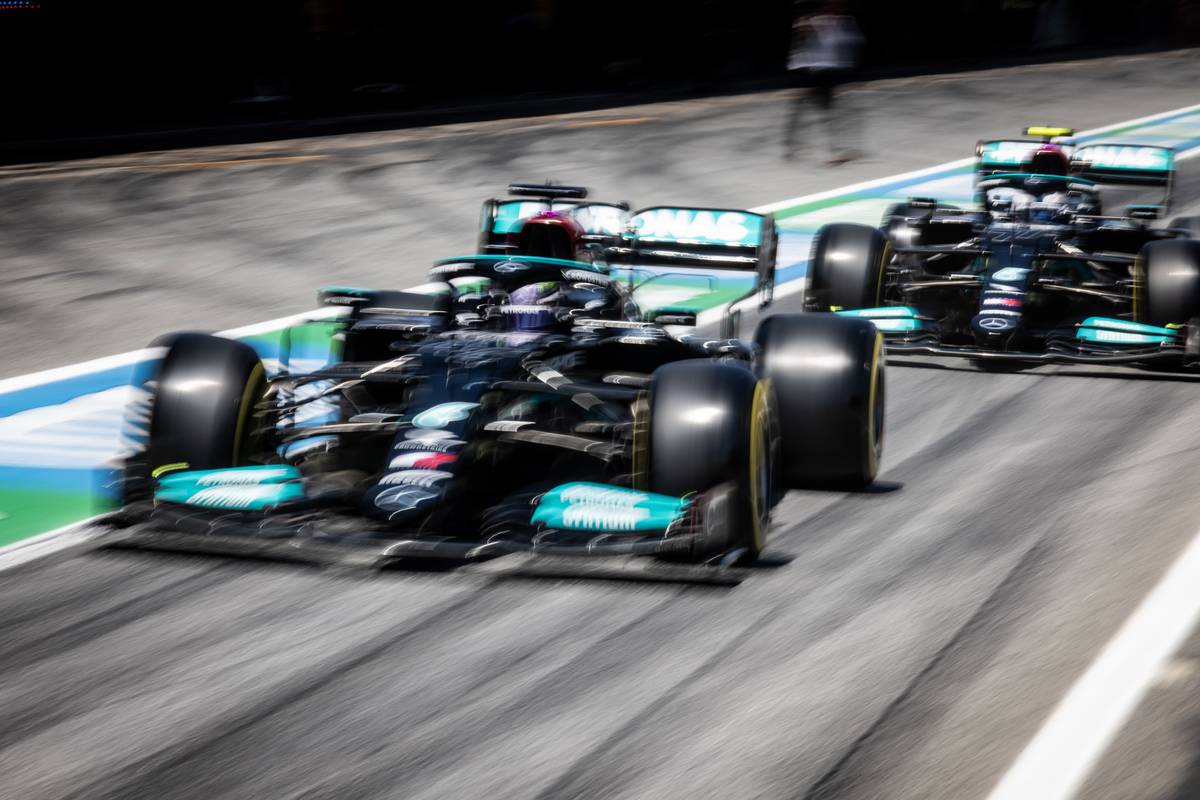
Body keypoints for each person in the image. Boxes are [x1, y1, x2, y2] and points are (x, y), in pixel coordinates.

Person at [783, 1, 864, 164]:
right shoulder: (809, 23)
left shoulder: (834, 22)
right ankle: (830, 151)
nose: (835, 10)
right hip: (815, 72)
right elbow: (803, 42)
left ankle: (793, 146)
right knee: (824, 111)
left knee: (806, 109)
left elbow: (852, 40)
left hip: (823, 71)